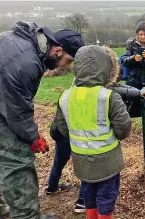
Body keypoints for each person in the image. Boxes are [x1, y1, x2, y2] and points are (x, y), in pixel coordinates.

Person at [0, 21, 85, 219]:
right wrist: (32, 137)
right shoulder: (27, 63)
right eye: (68, 60)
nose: (67, 66)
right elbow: (17, 110)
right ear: (57, 50)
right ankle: (27, 216)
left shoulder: (21, 44)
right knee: (16, 160)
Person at [47, 66, 145, 215]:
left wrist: (75, 137)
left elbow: (61, 124)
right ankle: (81, 202)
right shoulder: (104, 94)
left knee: (76, 172)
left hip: (73, 140)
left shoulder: (70, 91)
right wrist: (139, 92)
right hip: (101, 152)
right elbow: (123, 127)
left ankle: (53, 188)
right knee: (105, 193)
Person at [53, 45, 132, 219]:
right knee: (106, 196)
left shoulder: (65, 96)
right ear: (107, 68)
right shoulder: (108, 96)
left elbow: (62, 128)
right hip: (107, 159)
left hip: (81, 159)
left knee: (89, 194)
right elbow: (124, 128)